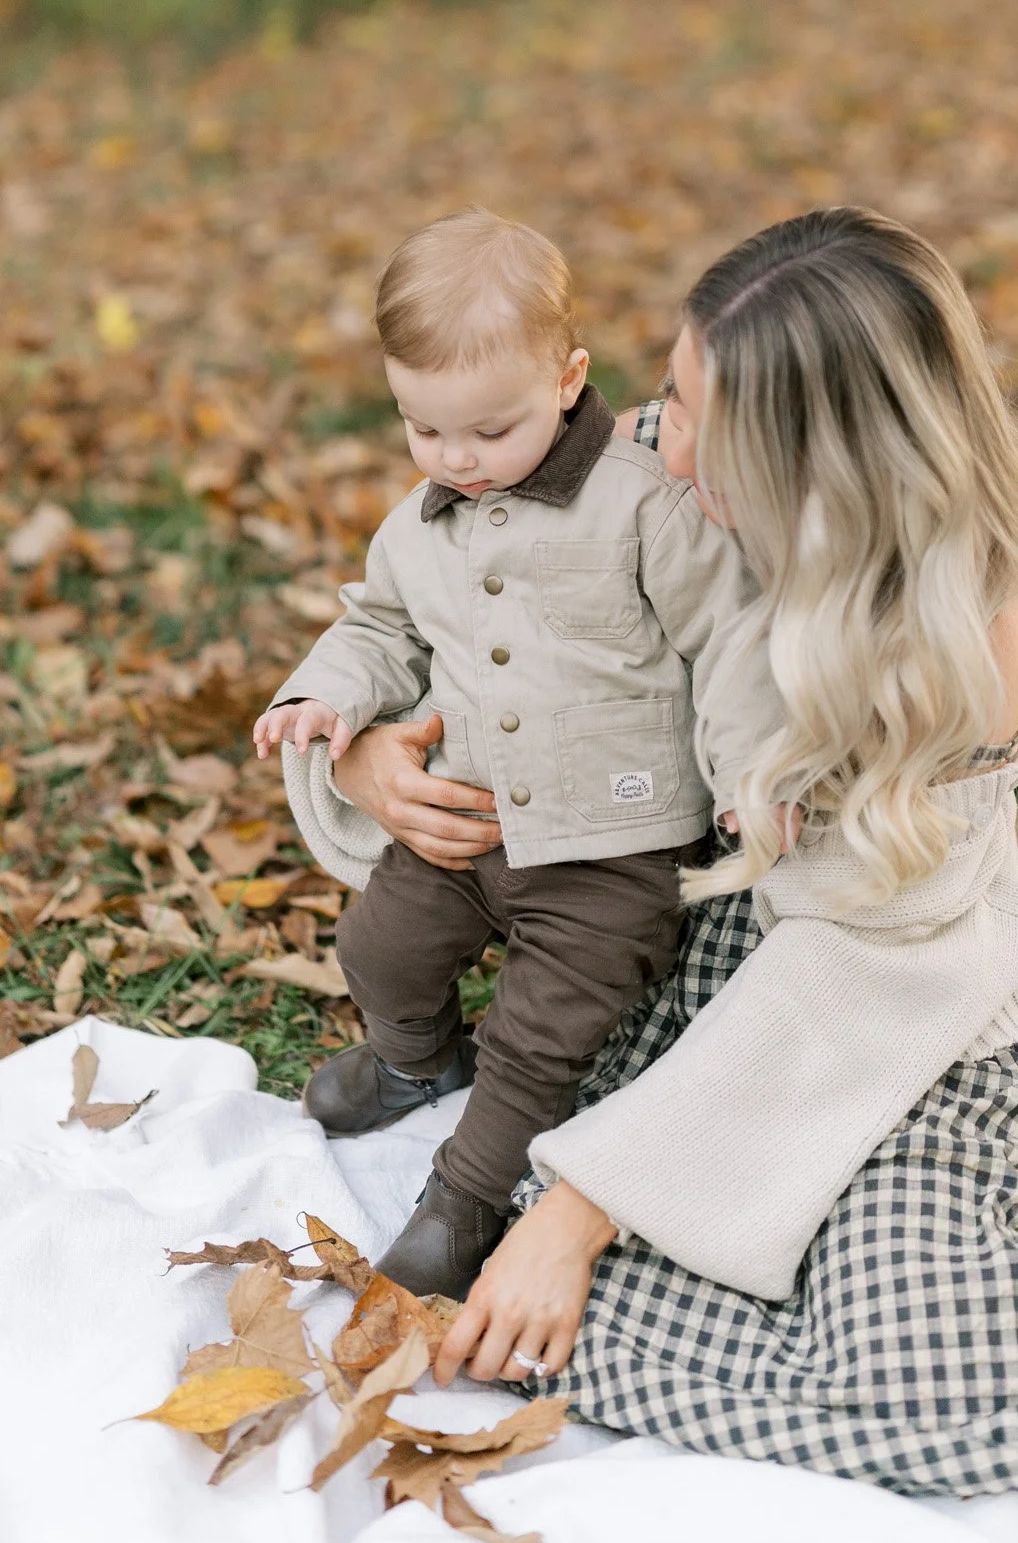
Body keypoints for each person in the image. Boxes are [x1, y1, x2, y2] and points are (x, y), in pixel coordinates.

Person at [287, 208, 1018, 1493]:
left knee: (924, 1344)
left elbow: (866, 960)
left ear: (820, 466)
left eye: (697, 423)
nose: (649, 439)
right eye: (666, 390)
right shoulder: (649, 469)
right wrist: (370, 755)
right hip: (700, 929)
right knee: (587, 1232)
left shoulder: (957, 631)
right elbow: (459, 618)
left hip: (897, 986)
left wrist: (586, 1203)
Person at [257, 207, 781, 1299]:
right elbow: (379, 626)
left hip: (611, 849)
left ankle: (462, 1200)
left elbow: (729, 633)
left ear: (567, 377)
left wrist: (745, 770)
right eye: (423, 427)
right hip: (466, 823)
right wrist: (324, 693)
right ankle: (413, 1055)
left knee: (538, 1039)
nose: (457, 458)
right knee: (379, 946)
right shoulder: (421, 519)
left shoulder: (644, 507)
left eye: (489, 430)